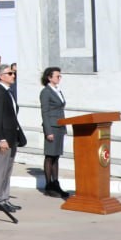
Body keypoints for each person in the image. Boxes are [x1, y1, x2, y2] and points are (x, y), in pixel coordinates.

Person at [0, 65, 24, 214]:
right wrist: (0, 138)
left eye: (13, 73)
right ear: (1, 76)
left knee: (7, 170)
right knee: (1, 170)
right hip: (3, 138)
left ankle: (5, 198)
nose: (13, 75)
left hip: (12, 136)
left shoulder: (8, 92)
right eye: (10, 73)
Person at [40, 67, 70, 199]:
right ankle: (48, 185)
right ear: (49, 77)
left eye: (60, 76)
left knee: (56, 156)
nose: (59, 78)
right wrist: (48, 131)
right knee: (50, 156)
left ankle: (56, 183)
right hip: (51, 127)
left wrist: (64, 128)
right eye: (57, 76)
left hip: (59, 127)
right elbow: (45, 112)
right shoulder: (46, 92)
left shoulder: (57, 90)